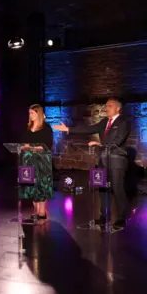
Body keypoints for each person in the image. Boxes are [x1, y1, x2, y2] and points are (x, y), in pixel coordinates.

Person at [53, 97, 131, 228]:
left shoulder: (123, 122)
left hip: (117, 160)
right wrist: (68, 130)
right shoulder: (105, 121)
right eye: (106, 106)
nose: (106, 108)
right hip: (103, 159)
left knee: (117, 188)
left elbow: (118, 141)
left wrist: (99, 143)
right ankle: (103, 215)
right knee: (101, 186)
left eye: (109, 106)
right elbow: (89, 129)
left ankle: (121, 218)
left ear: (118, 108)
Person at [20, 104, 53, 220]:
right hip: (29, 160)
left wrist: (35, 148)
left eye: (32, 113)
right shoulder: (27, 128)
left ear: (38, 113)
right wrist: (25, 146)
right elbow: (23, 143)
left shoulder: (46, 128)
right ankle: (36, 210)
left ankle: (42, 211)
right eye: (29, 113)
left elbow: (48, 144)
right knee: (32, 186)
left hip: (42, 161)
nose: (30, 115)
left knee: (41, 186)